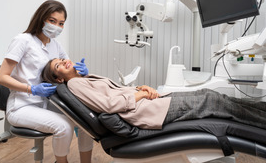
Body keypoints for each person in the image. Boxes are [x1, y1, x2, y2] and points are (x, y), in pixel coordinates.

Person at [42, 58, 266, 130]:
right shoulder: (75, 86)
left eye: (61, 59)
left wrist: (141, 88)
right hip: (145, 112)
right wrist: (141, 96)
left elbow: (118, 92)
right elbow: (108, 106)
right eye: (58, 66)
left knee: (209, 94)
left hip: (147, 102)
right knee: (213, 101)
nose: (63, 61)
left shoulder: (84, 79)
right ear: (59, 79)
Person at [0, 0, 93, 163]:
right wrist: (32, 89)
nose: (57, 26)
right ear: (41, 18)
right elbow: (2, 77)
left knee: (86, 120)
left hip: (47, 103)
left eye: (61, 23)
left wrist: (81, 71)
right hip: (22, 105)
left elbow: (68, 69)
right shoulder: (23, 40)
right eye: (52, 21)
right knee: (63, 126)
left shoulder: (55, 45)